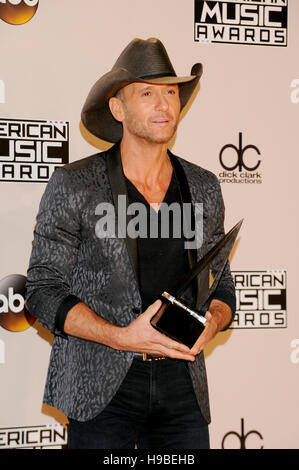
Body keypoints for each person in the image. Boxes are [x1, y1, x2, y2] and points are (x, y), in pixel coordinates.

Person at [25, 37, 236, 449]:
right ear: (117, 108)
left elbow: (222, 283)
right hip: (102, 390)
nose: (164, 105)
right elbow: (43, 291)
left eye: (171, 93)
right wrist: (121, 336)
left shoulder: (204, 187)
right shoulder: (75, 184)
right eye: (147, 93)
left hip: (182, 388)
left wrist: (212, 322)